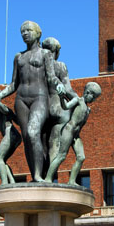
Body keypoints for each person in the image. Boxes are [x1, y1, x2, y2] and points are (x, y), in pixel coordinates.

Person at [0, 21, 65, 182]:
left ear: (38, 33)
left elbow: (51, 77)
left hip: (39, 98)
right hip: (21, 100)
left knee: (33, 133)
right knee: (26, 137)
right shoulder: (18, 57)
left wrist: (59, 85)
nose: (25, 33)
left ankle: (39, 175)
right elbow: (13, 84)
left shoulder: (45, 54)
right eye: (22, 32)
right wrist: (0, 95)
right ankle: (34, 175)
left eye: (28, 30)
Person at [45, 82, 102, 185]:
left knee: (81, 157)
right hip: (68, 130)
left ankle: (71, 181)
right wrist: (61, 97)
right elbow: (66, 106)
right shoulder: (78, 100)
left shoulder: (88, 109)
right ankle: (48, 179)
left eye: (95, 98)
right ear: (87, 92)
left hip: (76, 135)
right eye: (93, 96)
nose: (93, 100)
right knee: (61, 156)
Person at [42, 37, 79, 167]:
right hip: (58, 108)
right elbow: (68, 89)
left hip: (41, 109)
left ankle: (39, 176)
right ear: (57, 51)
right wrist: (77, 98)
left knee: (41, 144)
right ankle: (50, 178)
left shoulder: (37, 67)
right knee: (54, 143)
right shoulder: (60, 66)